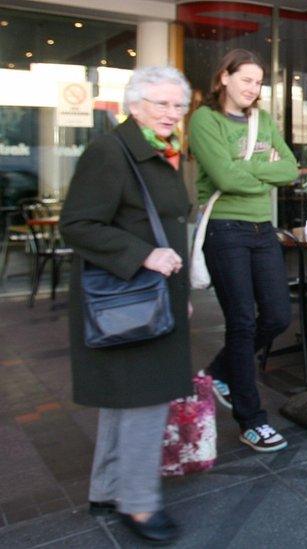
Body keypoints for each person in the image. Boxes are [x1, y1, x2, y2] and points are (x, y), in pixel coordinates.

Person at [60, 66, 193, 544]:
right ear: (133, 105)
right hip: (128, 296)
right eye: (160, 103)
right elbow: (76, 225)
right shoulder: (110, 153)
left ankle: (106, 489)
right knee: (144, 399)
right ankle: (137, 504)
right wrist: (144, 255)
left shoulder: (157, 152)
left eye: (178, 105)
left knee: (124, 399)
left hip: (147, 297)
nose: (171, 113)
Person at [189, 49, 298, 452]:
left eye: (258, 82)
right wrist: (258, 171)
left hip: (261, 228)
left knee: (276, 315)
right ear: (224, 78)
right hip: (225, 229)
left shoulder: (263, 120)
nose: (253, 88)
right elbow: (223, 176)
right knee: (241, 322)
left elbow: (288, 169)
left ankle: (219, 372)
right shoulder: (205, 120)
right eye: (246, 79)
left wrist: (244, 169)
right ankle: (251, 421)